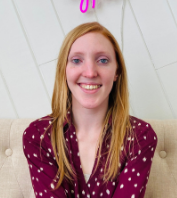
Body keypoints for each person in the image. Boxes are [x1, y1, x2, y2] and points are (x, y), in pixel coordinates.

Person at [23, 22, 157, 197]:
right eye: (77, 60)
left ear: (117, 72)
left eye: (102, 60)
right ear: (64, 70)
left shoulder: (140, 137)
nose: (90, 72)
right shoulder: (39, 136)